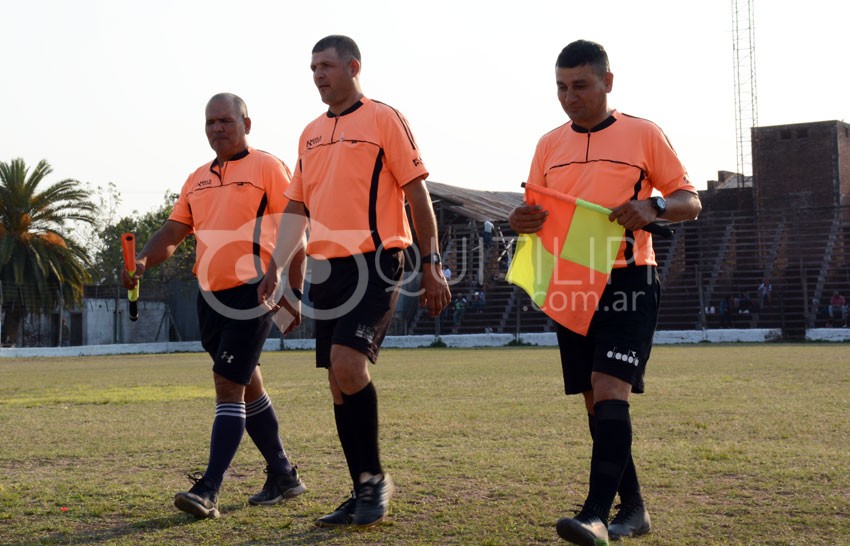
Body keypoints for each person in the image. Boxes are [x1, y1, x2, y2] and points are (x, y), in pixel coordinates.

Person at [508, 40, 702, 545]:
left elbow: (690, 200)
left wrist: (654, 207)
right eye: (561, 87)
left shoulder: (643, 133)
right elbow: (534, 215)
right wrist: (518, 221)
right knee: (597, 401)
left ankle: (595, 514)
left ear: (607, 82)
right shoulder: (548, 144)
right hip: (570, 281)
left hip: (628, 277)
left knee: (610, 386)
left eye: (580, 86)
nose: (569, 97)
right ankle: (634, 510)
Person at [258, 35, 451, 529]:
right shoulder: (309, 134)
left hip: (380, 256)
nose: (318, 75)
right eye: (312, 68)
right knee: (338, 383)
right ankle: (361, 486)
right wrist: (277, 267)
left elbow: (416, 193)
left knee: (348, 363)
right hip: (328, 268)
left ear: (352, 66)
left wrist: (432, 263)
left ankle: (373, 482)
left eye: (326, 65)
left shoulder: (384, 118)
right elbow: (296, 206)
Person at [122, 93, 307, 519]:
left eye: (225, 120)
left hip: (253, 292)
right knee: (246, 383)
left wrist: (292, 289)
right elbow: (172, 232)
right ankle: (283, 475)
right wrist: (144, 262)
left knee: (227, 383)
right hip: (209, 296)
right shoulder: (195, 179)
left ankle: (209, 488)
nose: (217, 129)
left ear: (246, 123)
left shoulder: (267, 167)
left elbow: (297, 226)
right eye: (210, 122)